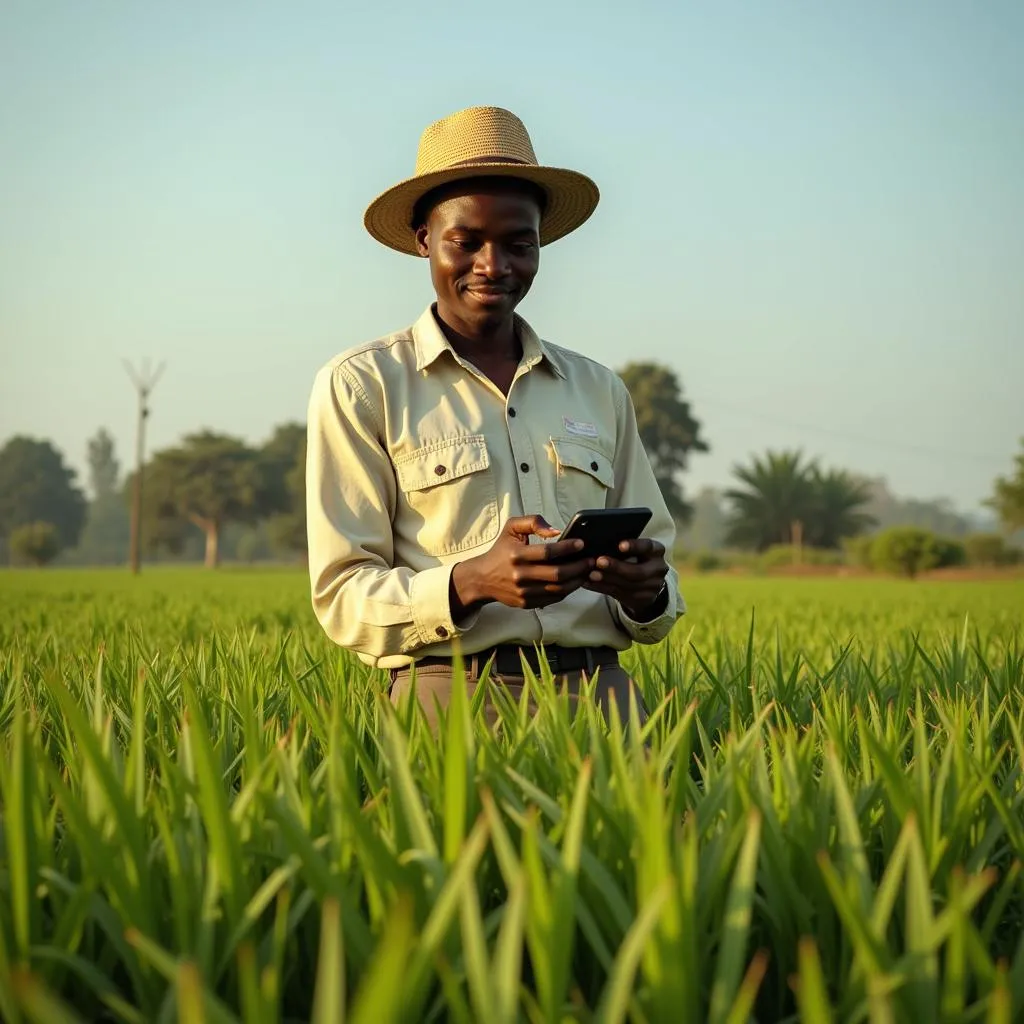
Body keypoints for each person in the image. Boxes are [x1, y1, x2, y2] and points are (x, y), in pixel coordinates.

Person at [305, 105, 685, 730]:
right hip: (448, 699)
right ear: (425, 239)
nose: (494, 265)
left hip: (604, 699)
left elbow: (663, 579)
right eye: (466, 241)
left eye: (519, 243)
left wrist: (646, 590)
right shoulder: (362, 384)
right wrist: (470, 582)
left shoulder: (598, 388)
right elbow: (343, 597)